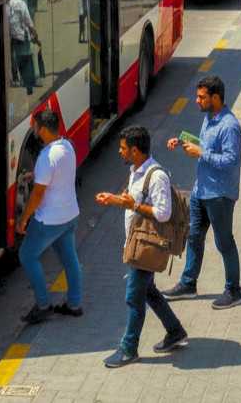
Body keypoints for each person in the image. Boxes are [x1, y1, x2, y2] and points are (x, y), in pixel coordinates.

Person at [96, 126, 188, 368]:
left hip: (147, 248)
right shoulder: (135, 170)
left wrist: (134, 205)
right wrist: (115, 200)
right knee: (149, 292)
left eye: (123, 148)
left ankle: (129, 348)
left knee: (133, 298)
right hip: (136, 243)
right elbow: (132, 201)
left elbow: (163, 213)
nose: (120, 151)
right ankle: (175, 331)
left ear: (135, 150)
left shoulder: (157, 176)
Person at [163, 75, 241, 309]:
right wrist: (182, 141)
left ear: (215, 98)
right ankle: (188, 283)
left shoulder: (230, 126)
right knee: (194, 237)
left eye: (201, 97)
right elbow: (205, 145)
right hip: (201, 191)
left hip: (219, 194)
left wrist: (201, 153)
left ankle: (233, 290)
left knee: (224, 242)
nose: (196, 100)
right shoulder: (209, 118)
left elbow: (230, 160)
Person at [16, 109, 84, 324]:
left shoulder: (46, 156)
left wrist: (24, 218)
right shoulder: (67, 146)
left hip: (49, 220)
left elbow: (38, 193)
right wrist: (34, 174)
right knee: (70, 260)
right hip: (70, 214)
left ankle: (43, 304)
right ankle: (74, 304)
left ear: (43, 129)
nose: (34, 130)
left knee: (27, 255)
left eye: (35, 127)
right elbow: (57, 172)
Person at [6, 0, 40, 94]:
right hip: (22, 36)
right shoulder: (21, 3)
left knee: (13, 58)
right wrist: (35, 34)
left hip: (11, 36)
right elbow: (28, 21)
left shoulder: (5, 5)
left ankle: (16, 78)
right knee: (25, 59)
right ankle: (28, 84)